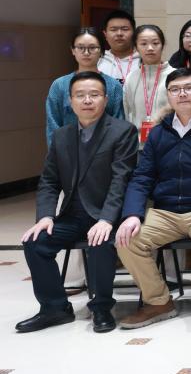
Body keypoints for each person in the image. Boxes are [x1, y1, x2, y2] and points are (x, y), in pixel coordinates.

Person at [116, 68, 191, 331]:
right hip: (166, 211)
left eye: (188, 88)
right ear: (168, 96)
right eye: (174, 89)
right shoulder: (159, 132)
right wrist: (132, 215)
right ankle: (158, 302)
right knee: (126, 239)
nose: (182, 94)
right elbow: (142, 176)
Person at [18, 71, 138, 334]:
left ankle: (102, 307)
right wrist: (46, 216)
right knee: (35, 242)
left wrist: (106, 219)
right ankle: (55, 308)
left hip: (109, 215)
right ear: (70, 101)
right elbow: (49, 181)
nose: (87, 100)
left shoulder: (123, 131)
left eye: (94, 95)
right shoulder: (62, 136)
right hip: (73, 215)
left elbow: (121, 180)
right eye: (80, 95)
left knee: (100, 242)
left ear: (105, 99)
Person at [45, 28, 124, 146]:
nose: (86, 53)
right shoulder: (59, 85)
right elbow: (53, 126)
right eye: (80, 47)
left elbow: (119, 125)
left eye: (92, 48)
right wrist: (59, 154)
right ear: (73, 50)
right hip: (67, 151)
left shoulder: (113, 86)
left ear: (101, 51)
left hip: (105, 152)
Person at [122, 25, 175, 147]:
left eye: (155, 43)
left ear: (162, 45)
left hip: (169, 144)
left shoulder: (175, 76)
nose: (150, 48)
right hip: (138, 146)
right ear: (136, 47)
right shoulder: (131, 78)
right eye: (143, 44)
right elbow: (127, 112)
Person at [97, 9, 139, 85]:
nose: (119, 33)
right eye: (113, 30)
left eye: (125, 29)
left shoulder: (144, 60)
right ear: (105, 34)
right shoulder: (98, 61)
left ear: (134, 33)